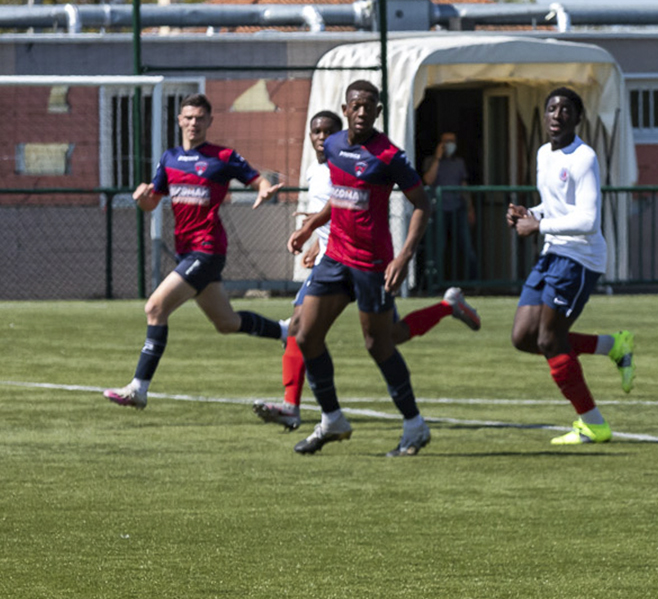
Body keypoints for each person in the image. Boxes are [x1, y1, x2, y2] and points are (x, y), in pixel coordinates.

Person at [251, 110, 482, 432]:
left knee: (387, 338)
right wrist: (316, 238)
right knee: (302, 327)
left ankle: (447, 307)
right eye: (315, 131)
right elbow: (337, 207)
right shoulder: (316, 171)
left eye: (327, 131)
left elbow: (355, 202)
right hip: (332, 262)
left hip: (365, 261)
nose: (321, 137)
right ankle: (296, 407)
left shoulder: (363, 158)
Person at [104, 93, 288, 410]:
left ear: (209, 121)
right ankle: (286, 331)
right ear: (179, 121)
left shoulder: (223, 156)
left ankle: (139, 388)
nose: (194, 123)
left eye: (200, 118)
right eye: (188, 117)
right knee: (226, 322)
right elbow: (152, 202)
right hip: (186, 252)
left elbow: (257, 179)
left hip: (207, 249)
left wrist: (264, 189)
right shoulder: (169, 158)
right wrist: (141, 197)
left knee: (155, 308)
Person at [284, 80, 434, 457]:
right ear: (346, 109)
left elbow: (422, 204)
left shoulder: (388, 156)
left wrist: (404, 256)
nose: (363, 111)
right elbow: (341, 197)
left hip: (372, 264)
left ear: (378, 112)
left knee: (378, 344)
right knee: (305, 334)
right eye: (357, 105)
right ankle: (332, 419)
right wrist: (311, 227)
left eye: (370, 106)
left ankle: (414, 426)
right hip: (335, 258)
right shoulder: (334, 146)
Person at [507, 86, 635, 445]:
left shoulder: (584, 157)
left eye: (566, 109)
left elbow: (589, 220)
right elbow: (557, 207)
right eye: (551, 108)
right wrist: (530, 213)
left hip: (580, 257)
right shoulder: (543, 154)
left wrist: (538, 225)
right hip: (553, 253)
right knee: (522, 338)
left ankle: (593, 423)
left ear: (578, 119)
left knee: (549, 339)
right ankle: (613, 344)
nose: (557, 114)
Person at [424, 131, 480, 282]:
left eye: (452, 141)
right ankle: (434, 283)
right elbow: (428, 180)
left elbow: (464, 186)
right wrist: (438, 158)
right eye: (446, 141)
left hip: (458, 209)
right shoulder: (431, 161)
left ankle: (474, 283)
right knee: (438, 248)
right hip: (438, 211)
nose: (450, 145)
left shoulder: (459, 163)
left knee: (467, 247)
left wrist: (470, 208)